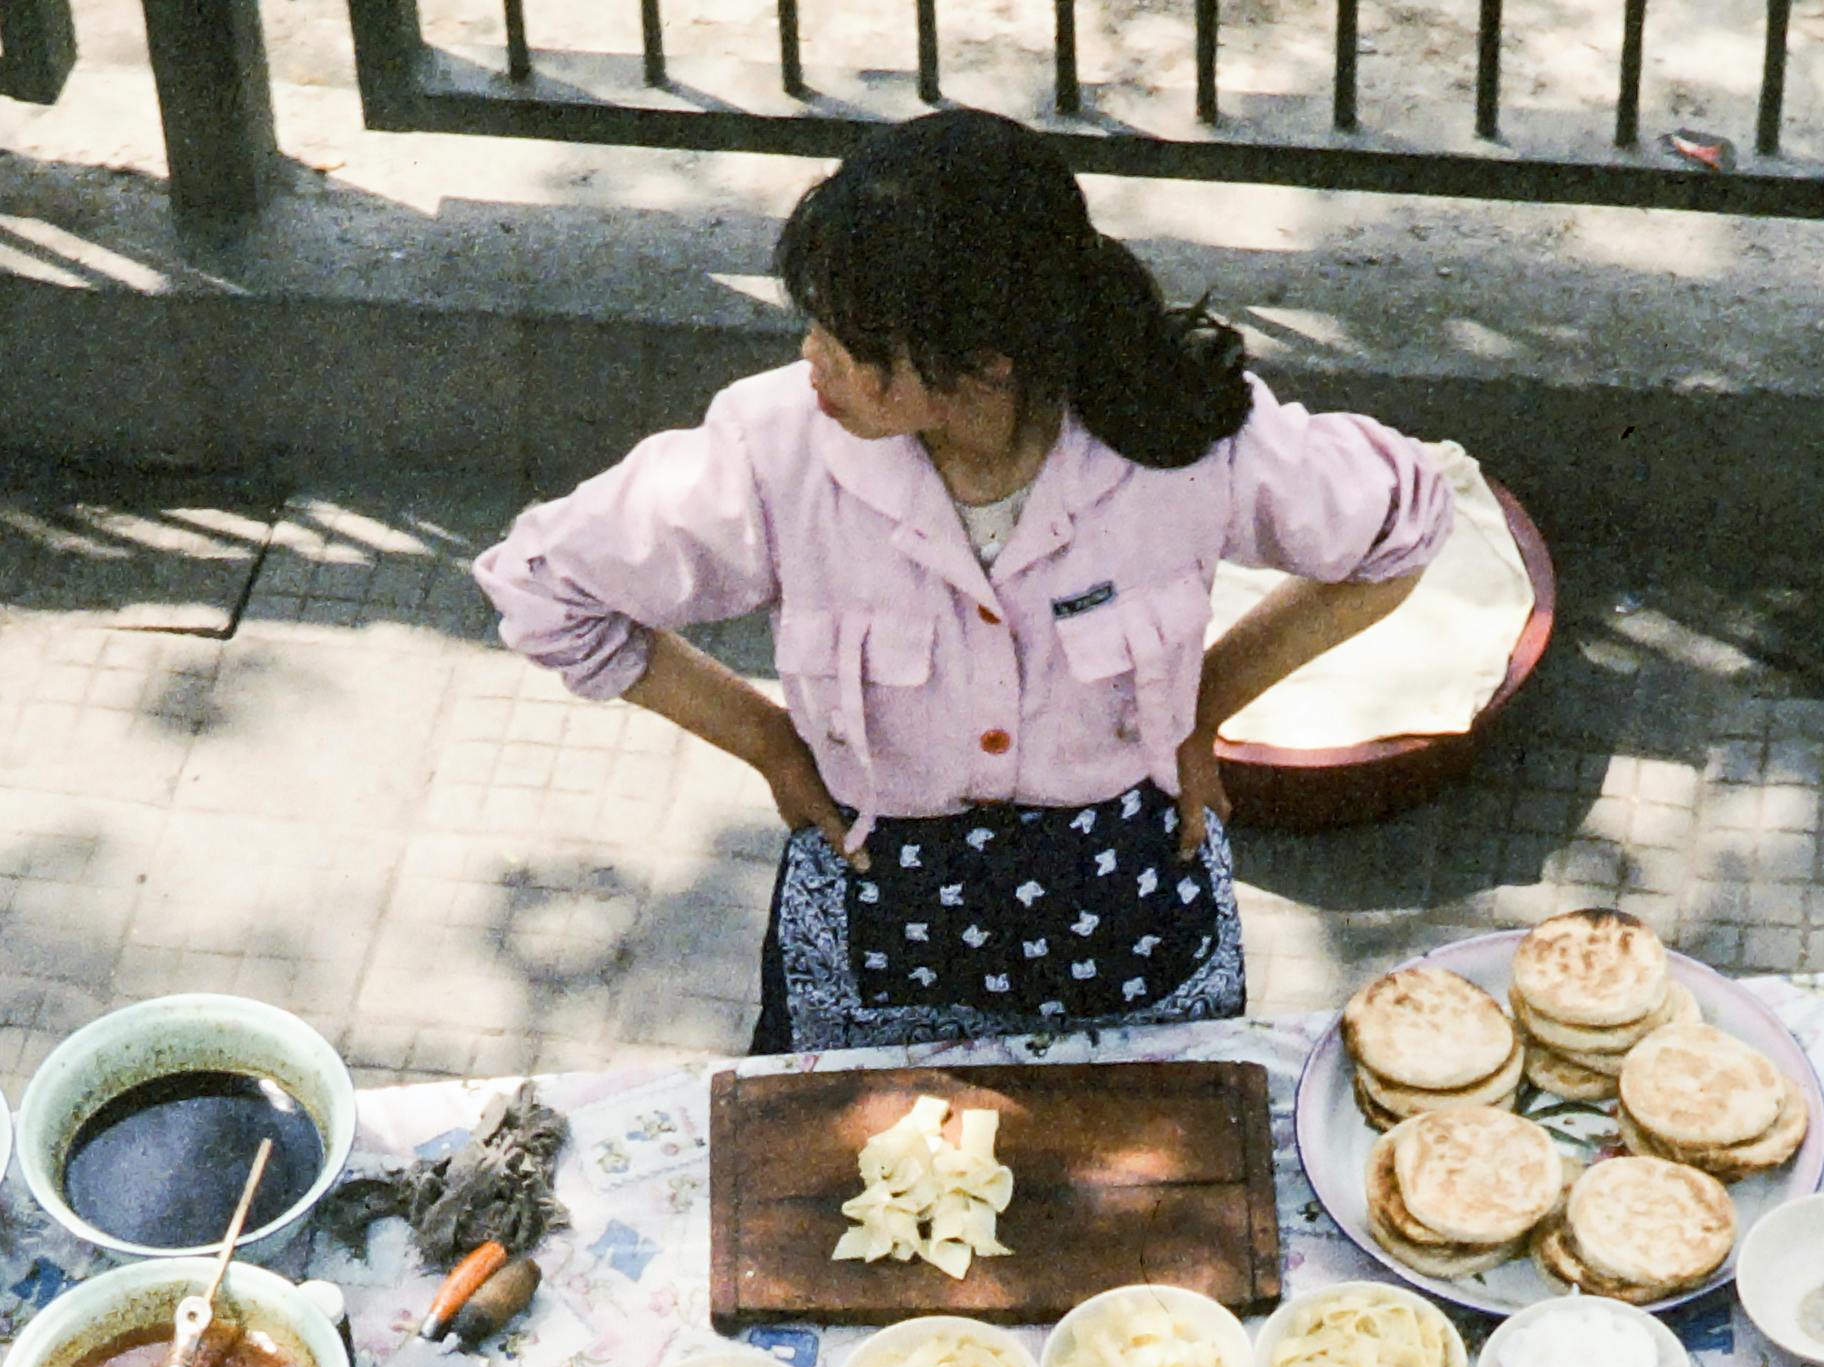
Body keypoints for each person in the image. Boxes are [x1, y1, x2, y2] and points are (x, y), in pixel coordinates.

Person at [473, 111, 1452, 1054]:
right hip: (878, 913)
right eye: (814, 322)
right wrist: (767, 741)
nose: (812, 359)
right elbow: (548, 584)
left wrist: (1202, 707)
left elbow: (1402, 525)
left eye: (853, 346)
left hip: (1131, 912)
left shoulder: (1185, 446)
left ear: (985, 365)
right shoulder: (774, 453)